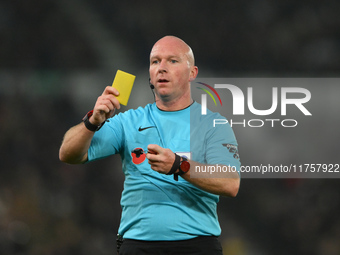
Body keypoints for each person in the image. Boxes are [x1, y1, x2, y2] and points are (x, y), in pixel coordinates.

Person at [59, 35, 241, 255]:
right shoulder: (128, 122)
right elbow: (68, 154)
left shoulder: (213, 124)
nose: (161, 68)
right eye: (155, 61)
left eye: (172, 61)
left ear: (192, 73)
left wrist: (178, 165)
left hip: (197, 246)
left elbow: (230, 183)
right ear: (150, 74)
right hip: (138, 246)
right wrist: (92, 122)